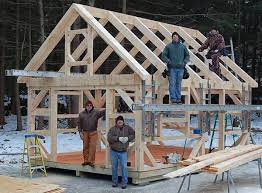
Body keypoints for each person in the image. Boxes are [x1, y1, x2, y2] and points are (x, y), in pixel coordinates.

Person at [107, 116, 135, 189]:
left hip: (123, 151)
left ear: (123, 122)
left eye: (121, 122)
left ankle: (124, 183)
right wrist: (117, 138)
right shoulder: (112, 129)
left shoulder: (128, 128)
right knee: (114, 167)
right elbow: (109, 138)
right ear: (116, 122)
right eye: (118, 122)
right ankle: (115, 182)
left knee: (124, 167)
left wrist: (128, 138)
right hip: (114, 151)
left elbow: (134, 134)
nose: (120, 123)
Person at [161, 32, 190, 104]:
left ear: (178, 37)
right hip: (172, 68)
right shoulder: (168, 46)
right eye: (173, 37)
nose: (175, 38)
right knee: (172, 83)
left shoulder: (182, 47)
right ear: (172, 38)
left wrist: (184, 62)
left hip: (181, 68)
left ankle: (178, 99)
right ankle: (173, 98)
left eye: (176, 37)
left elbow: (187, 55)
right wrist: (168, 61)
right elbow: (163, 55)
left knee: (178, 84)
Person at [78, 100, 105, 167]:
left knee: (92, 147)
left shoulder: (95, 112)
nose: (89, 106)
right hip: (85, 132)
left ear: (92, 106)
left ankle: (91, 161)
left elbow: (102, 113)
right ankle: (86, 161)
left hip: (93, 132)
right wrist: (80, 132)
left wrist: (108, 107)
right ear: (86, 106)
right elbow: (79, 124)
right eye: (88, 105)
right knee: (85, 147)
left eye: (90, 105)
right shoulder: (81, 114)